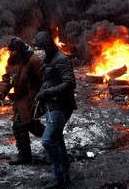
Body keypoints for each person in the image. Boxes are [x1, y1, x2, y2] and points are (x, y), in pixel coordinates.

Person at [33, 31, 77, 189]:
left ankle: (57, 175)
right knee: (57, 139)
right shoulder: (48, 58)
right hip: (52, 105)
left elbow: (70, 83)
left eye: (38, 48)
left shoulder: (61, 59)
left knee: (48, 140)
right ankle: (64, 174)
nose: (36, 51)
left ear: (46, 46)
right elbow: (49, 81)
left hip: (60, 106)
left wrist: (48, 93)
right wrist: (40, 95)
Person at [0, 37, 45, 165]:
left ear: (21, 49)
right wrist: (2, 91)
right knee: (21, 126)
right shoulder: (12, 60)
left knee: (25, 124)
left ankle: (51, 138)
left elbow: (44, 81)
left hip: (31, 99)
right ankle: (26, 154)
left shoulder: (34, 60)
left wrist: (41, 98)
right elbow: (8, 79)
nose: (11, 54)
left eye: (14, 51)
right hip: (20, 100)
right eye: (10, 51)